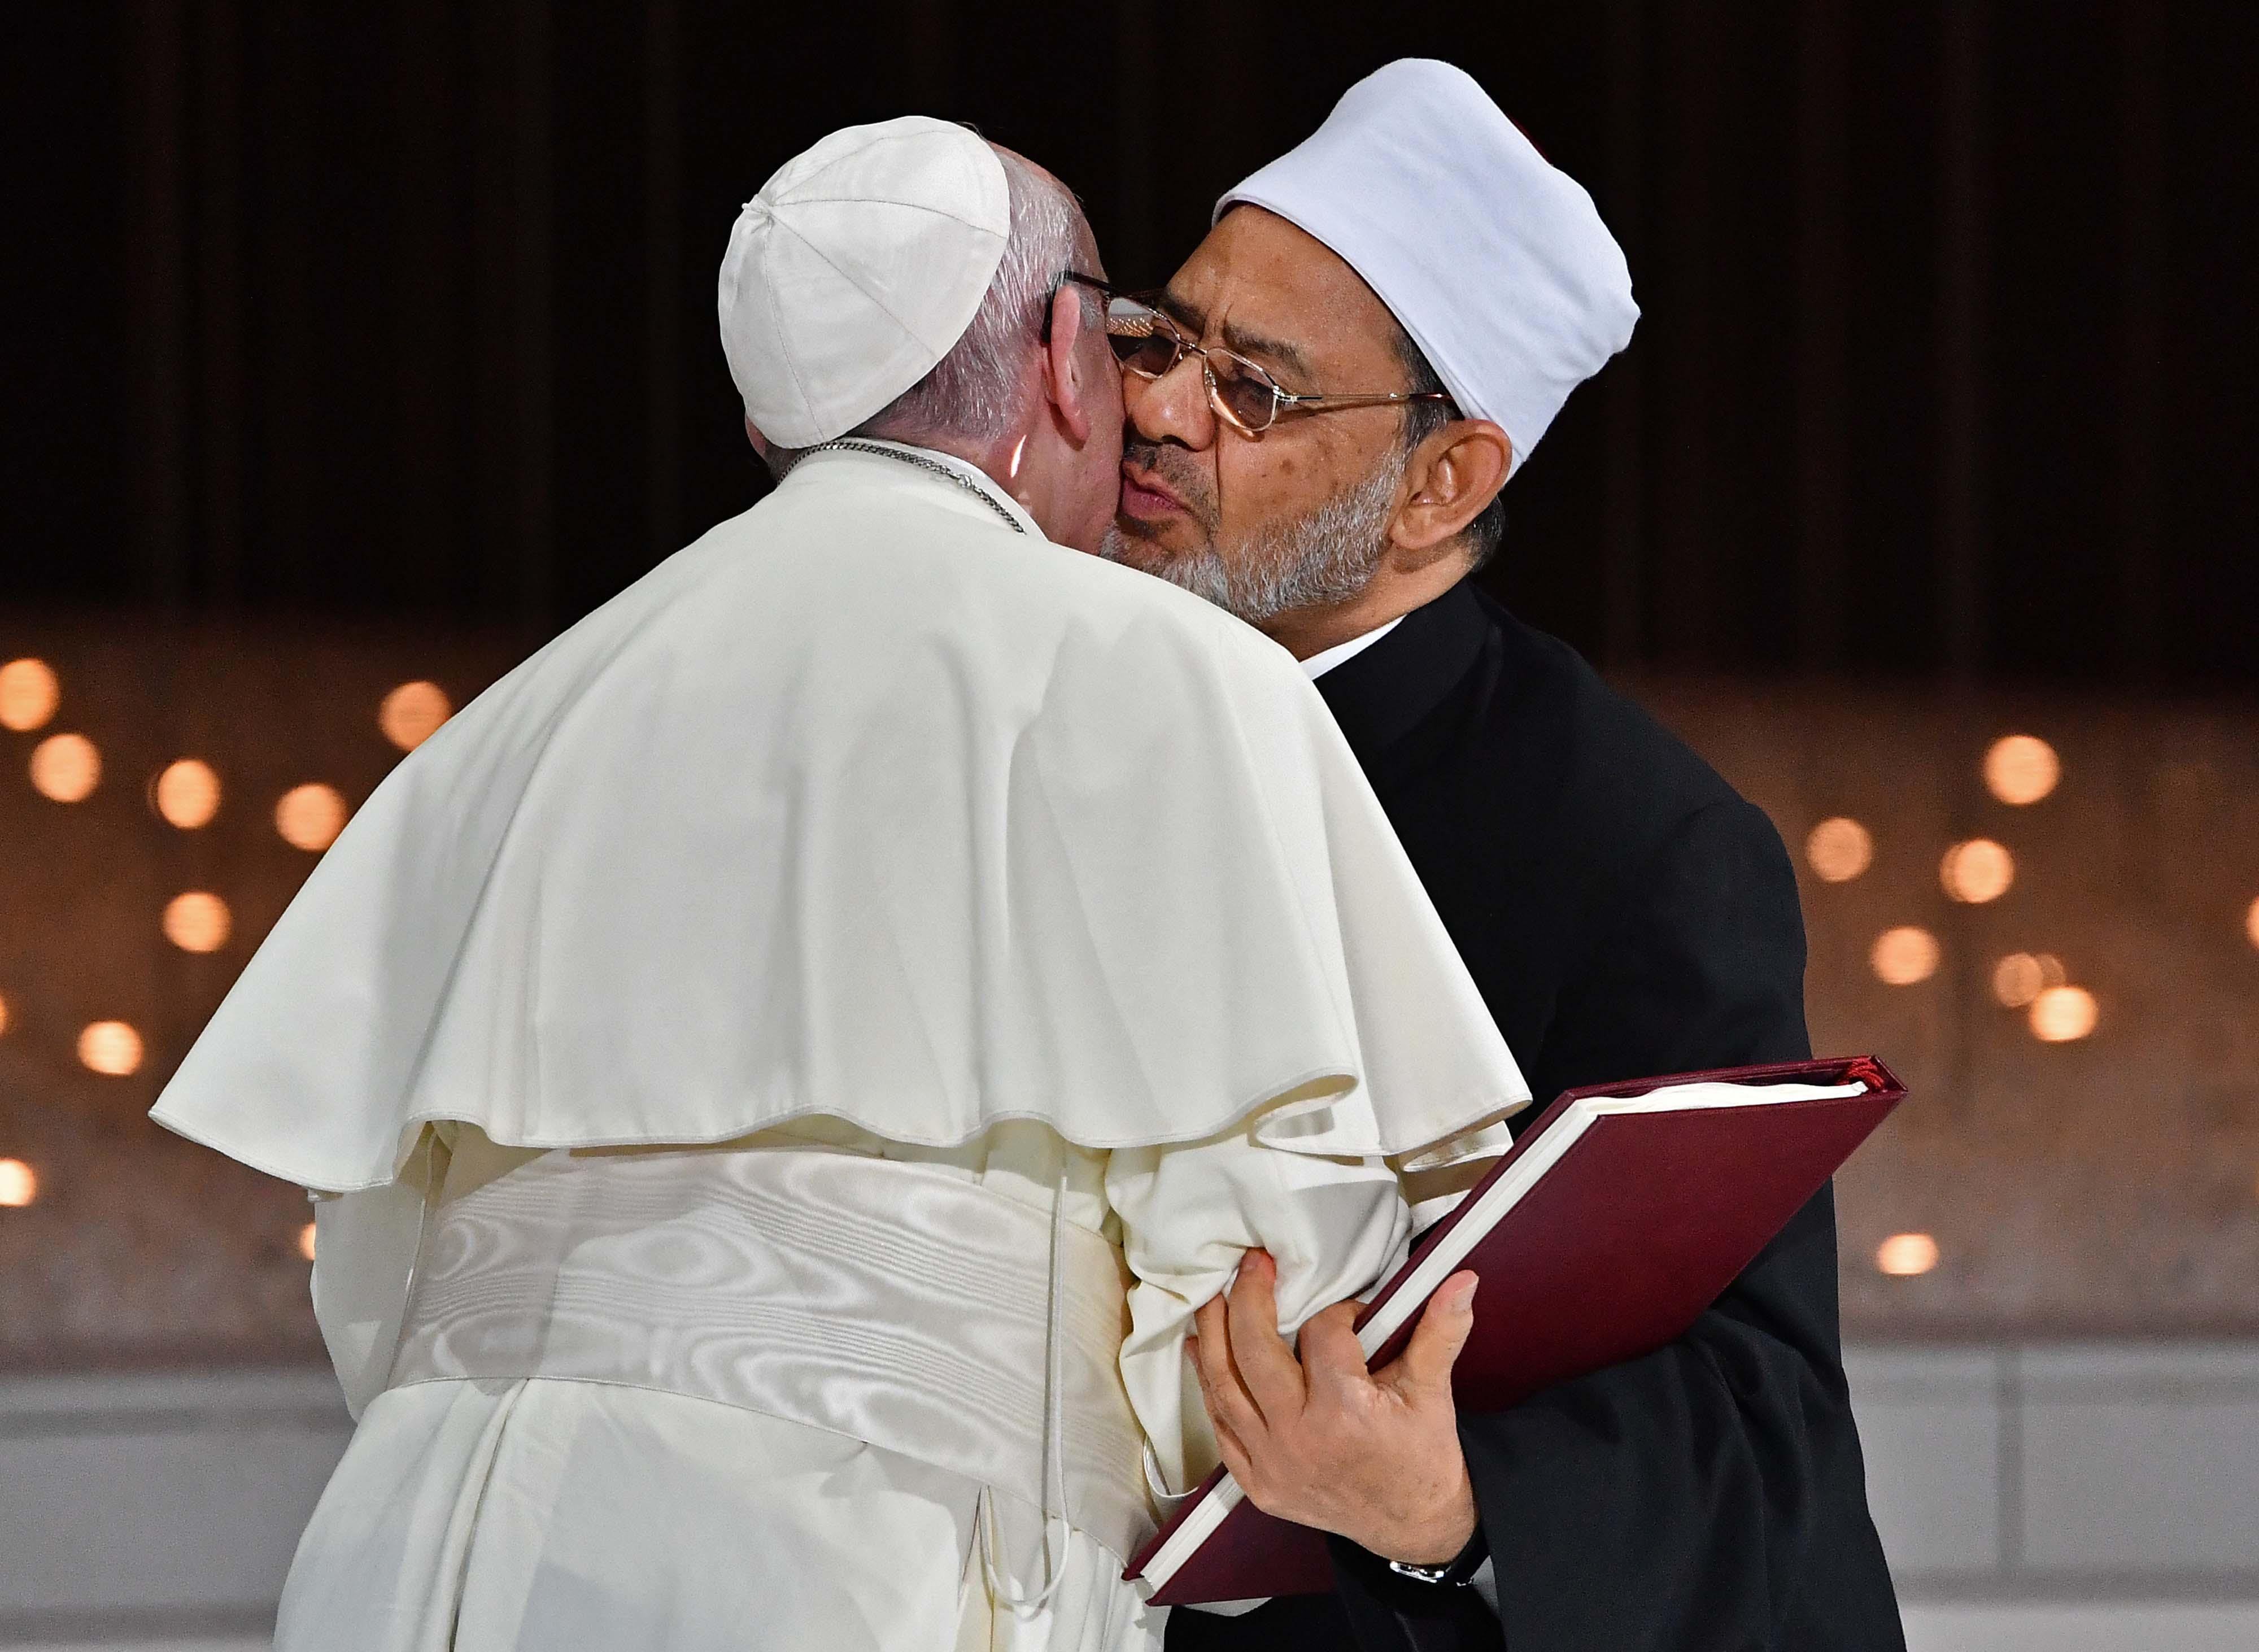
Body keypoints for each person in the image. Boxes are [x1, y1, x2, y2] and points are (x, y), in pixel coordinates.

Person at [149, 117, 1529, 1651]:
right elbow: (1264, 1297)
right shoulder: (1171, 676)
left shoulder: (525, 713)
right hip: (854, 1562)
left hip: (420, 1558)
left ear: (773, 422)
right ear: (1067, 356)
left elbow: (379, 1264)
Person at [1101, 62, 1904, 1652]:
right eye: (1162, 336)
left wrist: (1448, 1507)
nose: (1156, 407)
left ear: (1443, 483)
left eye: (1251, 387)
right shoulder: (1049, 700)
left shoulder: (1636, 848)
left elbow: (1753, 1421)